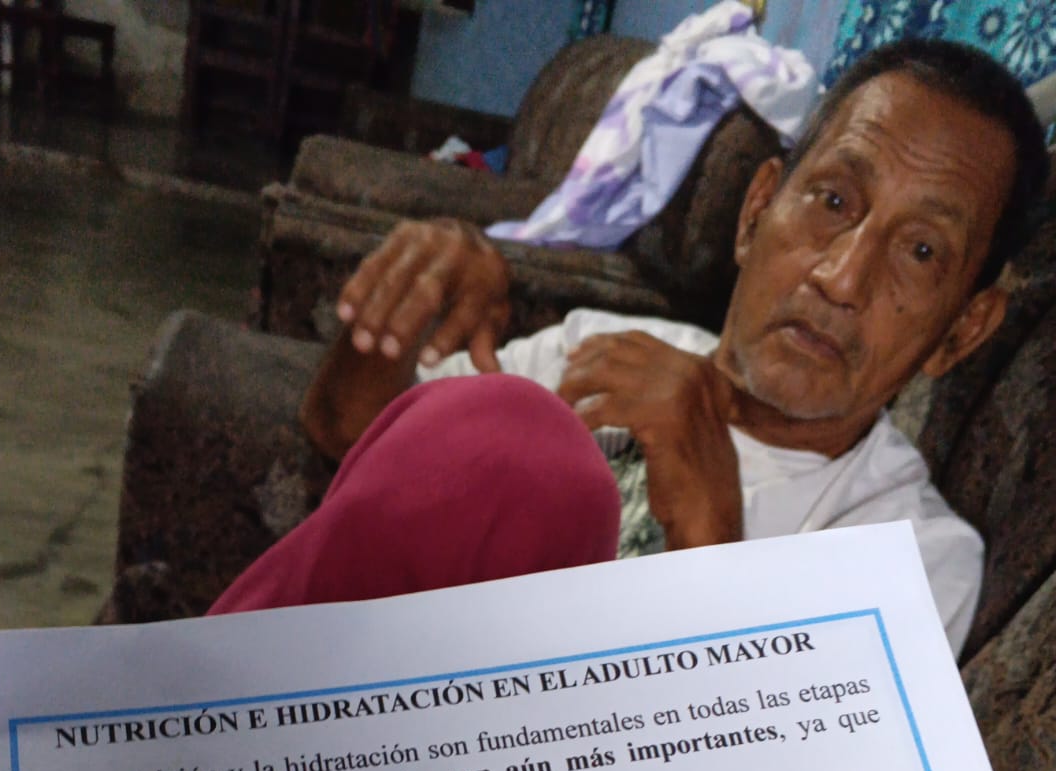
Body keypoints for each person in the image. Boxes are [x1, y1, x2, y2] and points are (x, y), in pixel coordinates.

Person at [210, 38, 1049, 656]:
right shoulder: (605, 350)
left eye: (921, 252)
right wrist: (391, 316)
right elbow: (346, 439)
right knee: (501, 429)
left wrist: (709, 534)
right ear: (757, 211)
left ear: (963, 330)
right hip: (370, 733)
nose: (841, 277)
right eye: (832, 201)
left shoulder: (909, 559)